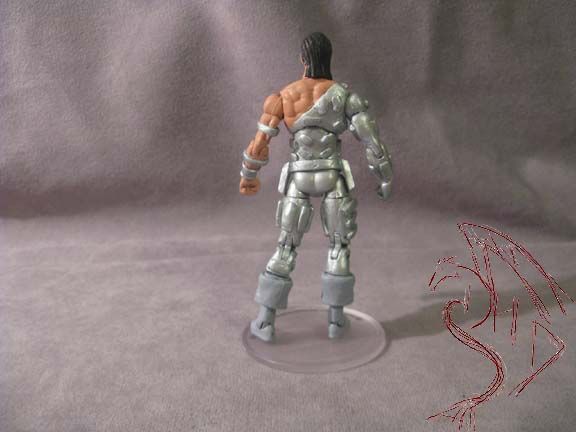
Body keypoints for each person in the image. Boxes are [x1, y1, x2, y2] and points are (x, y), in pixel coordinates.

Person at [239, 32, 393, 342]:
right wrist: (385, 176)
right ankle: (336, 322)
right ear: (328, 58)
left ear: (303, 59)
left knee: (286, 247)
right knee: (338, 246)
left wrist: (249, 175)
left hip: (299, 176)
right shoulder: (345, 97)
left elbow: (260, 142)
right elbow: (372, 141)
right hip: (332, 175)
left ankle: (265, 321)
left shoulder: (284, 96)